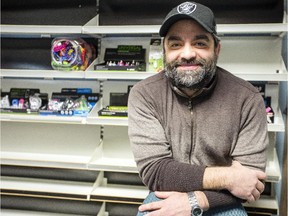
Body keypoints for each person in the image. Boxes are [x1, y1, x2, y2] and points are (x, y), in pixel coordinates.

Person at [128, 1, 269, 216]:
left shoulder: (247, 98)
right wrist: (230, 177)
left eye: (200, 43)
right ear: (164, 50)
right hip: (167, 193)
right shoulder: (144, 94)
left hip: (223, 199)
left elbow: (250, 182)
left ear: (217, 49)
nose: (187, 54)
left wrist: (197, 200)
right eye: (175, 44)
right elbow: (156, 172)